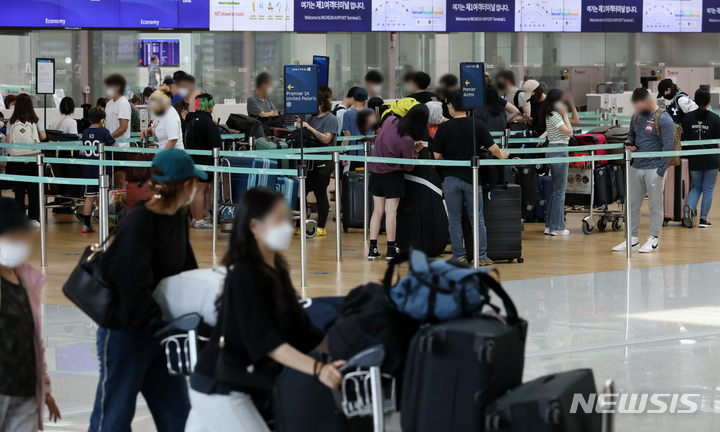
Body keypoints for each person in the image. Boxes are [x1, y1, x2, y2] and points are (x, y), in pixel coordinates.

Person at [186, 187, 345, 432]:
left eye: (287, 219)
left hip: (240, 384)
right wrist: (318, 369)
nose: (286, 226)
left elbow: (299, 328)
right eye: (278, 220)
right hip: (221, 386)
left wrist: (342, 349)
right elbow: (263, 340)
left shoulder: (276, 271)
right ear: (254, 227)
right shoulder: (243, 275)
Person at [88, 148, 203, 432]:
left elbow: (185, 269)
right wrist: (163, 327)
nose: (197, 187)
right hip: (125, 333)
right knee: (113, 418)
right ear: (184, 185)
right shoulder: (138, 223)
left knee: (179, 416)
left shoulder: (176, 216)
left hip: (159, 332)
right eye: (194, 182)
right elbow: (130, 289)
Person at [0, 198, 62, 431]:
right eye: (11, 235)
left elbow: (34, 341)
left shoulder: (28, 280)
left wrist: (45, 390)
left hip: (25, 392)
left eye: (21, 234)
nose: (20, 241)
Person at [433, 91, 509, 265]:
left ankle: (459, 255)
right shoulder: (477, 125)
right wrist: (502, 155)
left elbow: (437, 156)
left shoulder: (444, 128)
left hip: (451, 178)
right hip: (473, 178)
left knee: (455, 219)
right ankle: (481, 256)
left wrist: (450, 162)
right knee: (478, 219)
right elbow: (493, 148)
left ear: (451, 107)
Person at [613, 88, 675, 253]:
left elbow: (669, 146)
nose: (638, 110)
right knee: (632, 204)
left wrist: (661, 171)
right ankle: (632, 239)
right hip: (637, 166)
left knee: (655, 206)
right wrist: (629, 142)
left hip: (655, 168)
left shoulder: (664, 118)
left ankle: (654, 239)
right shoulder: (636, 116)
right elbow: (632, 134)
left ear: (648, 101)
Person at [368, 105, 428, 261]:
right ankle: (390, 249)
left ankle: (372, 249)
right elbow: (408, 167)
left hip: (375, 172)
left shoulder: (389, 120)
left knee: (377, 211)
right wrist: (416, 150)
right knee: (391, 212)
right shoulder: (407, 139)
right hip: (392, 175)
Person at [295, 92, 337, 237]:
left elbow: (326, 139)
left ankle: (321, 227)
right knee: (301, 193)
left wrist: (309, 127)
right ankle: (300, 223)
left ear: (321, 104)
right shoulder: (312, 118)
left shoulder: (331, 119)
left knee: (320, 192)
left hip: (325, 161)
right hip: (311, 161)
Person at [6, 94, 47, 226]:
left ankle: (19, 218)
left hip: (17, 158)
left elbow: (8, 141)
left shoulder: (11, 121)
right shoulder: (36, 120)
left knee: (19, 190)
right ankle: (34, 218)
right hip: (33, 157)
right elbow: (43, 136)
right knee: (33, 189)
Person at [681, 88, 720, 228]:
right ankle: (703, 219)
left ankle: (690, 207)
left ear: (695, 100)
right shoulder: (716, 119)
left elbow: (684, 139)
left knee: (696, 187)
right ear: (709, 100)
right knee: (708, 189)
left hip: (694, 158)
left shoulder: (688, 117)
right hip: (712, 159)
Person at [538, 89, 574, 236]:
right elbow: (570, 133)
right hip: (560, 150)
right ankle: (557, 227)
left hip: (553, 150)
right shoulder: (556, 116)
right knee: (560, 191)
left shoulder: (550, 115)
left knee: (556, 190)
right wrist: (565, 115)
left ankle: (550, 225)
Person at [185, 92, 222, 229]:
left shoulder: (190, 120)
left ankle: (195, 218)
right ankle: (200, 220)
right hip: (204, 160)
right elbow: (215, 142)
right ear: (209, 106)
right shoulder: (207, 122)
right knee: (201, 190)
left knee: (195, 190)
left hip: (191, 159)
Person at [80, 107, 115, 234]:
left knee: (89, 197)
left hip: (89, 168)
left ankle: (86, 224)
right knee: (102, 197)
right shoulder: (104, 132)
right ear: (103, 120)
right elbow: (114, 146)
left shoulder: (84, 132)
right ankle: (104, 224)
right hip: (103, 169)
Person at [104, 74, 132, 188]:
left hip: (121, 147)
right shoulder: (109, 103)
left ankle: (127, 203)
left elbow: (123, 127)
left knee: (121, 179)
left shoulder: (123, 102)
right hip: (109, 147)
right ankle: (116, 205)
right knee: (114, 179)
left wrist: (108, 137)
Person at [140, 85, 184, 150]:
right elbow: (157, 126)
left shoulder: (170, 116)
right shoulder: (160, 113)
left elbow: (173, 140)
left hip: (172, 156)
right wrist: (147, 130)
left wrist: (162, 156)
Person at [342, 88, 371, 171]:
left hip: (354, 153)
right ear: (366, 101)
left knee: (354, 179)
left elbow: (347, 135)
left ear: (353, 99)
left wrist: (345, 153)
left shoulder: (347, 114)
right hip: (370, 152)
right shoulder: (371, 112)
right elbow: (377, 131)